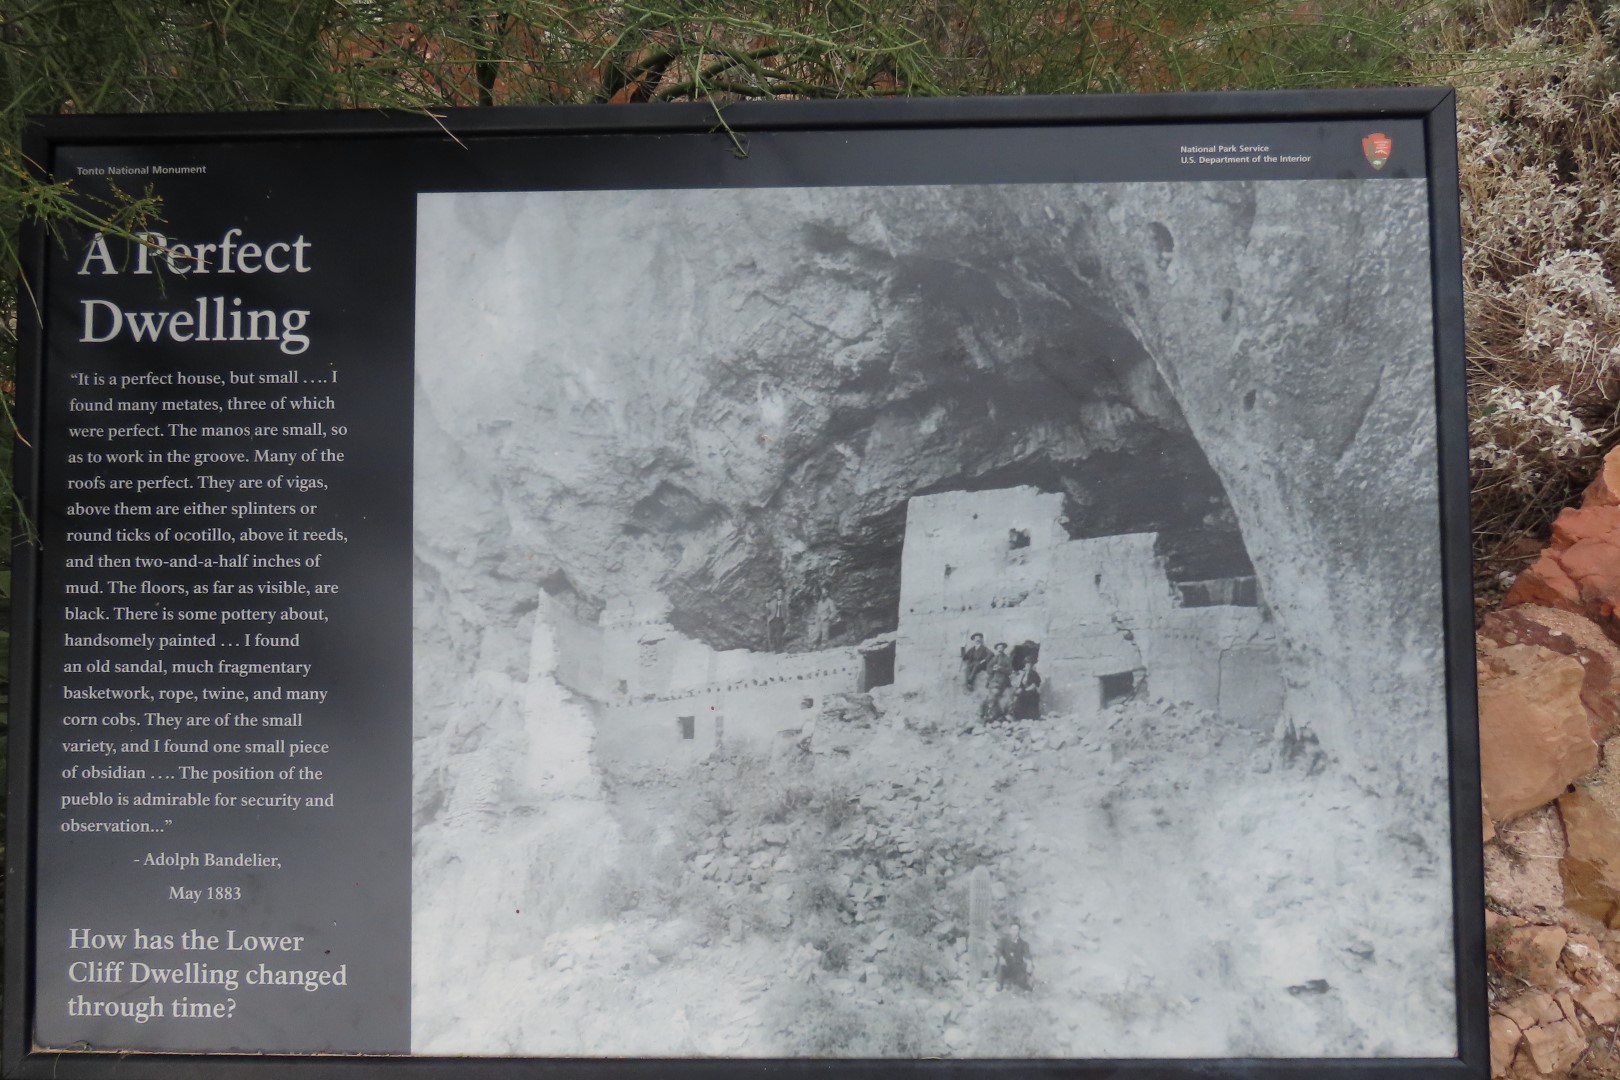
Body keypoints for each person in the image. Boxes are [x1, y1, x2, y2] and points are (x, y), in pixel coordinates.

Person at [995, 923, 1033, 991]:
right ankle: (999, 985)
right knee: (1001, 965)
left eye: (1016, 930)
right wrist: (1000, 957)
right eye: (1012, 929)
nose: (1014, 932)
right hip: (1006, 966)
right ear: (1010, 930)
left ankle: (1028, 988)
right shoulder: (1003, 941)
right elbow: (998, 950)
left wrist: (1029, 964)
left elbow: (1028, 954)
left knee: (1022, 983)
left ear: (1019, 931)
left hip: (1017, 967)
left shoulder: (1023, 944)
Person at [982, 642, 1014, 721]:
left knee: (995, 693)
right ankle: (989, 714)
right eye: (998, 648)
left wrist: (1000, 668)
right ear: (997, 649)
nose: (1000, 649)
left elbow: (1010, 671)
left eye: (1001, 648)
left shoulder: (1007, 659)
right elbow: (988, 668)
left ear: (1004, 649)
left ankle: (995, 715)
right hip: (993, 680)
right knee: (989, 696)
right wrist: (993, 669)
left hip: (1003, 680)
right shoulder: (994, 658)